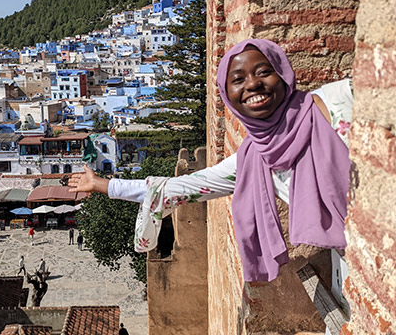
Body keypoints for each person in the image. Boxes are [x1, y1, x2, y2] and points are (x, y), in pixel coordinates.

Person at [69, 39, 352, 283]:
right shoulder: (254, 159)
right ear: (227, 95)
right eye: (238, 80)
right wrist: (102, 184)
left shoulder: (343, 99)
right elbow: (179, 188)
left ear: (283, 74)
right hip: (358, 262)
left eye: (264, 72)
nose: (253, 84)